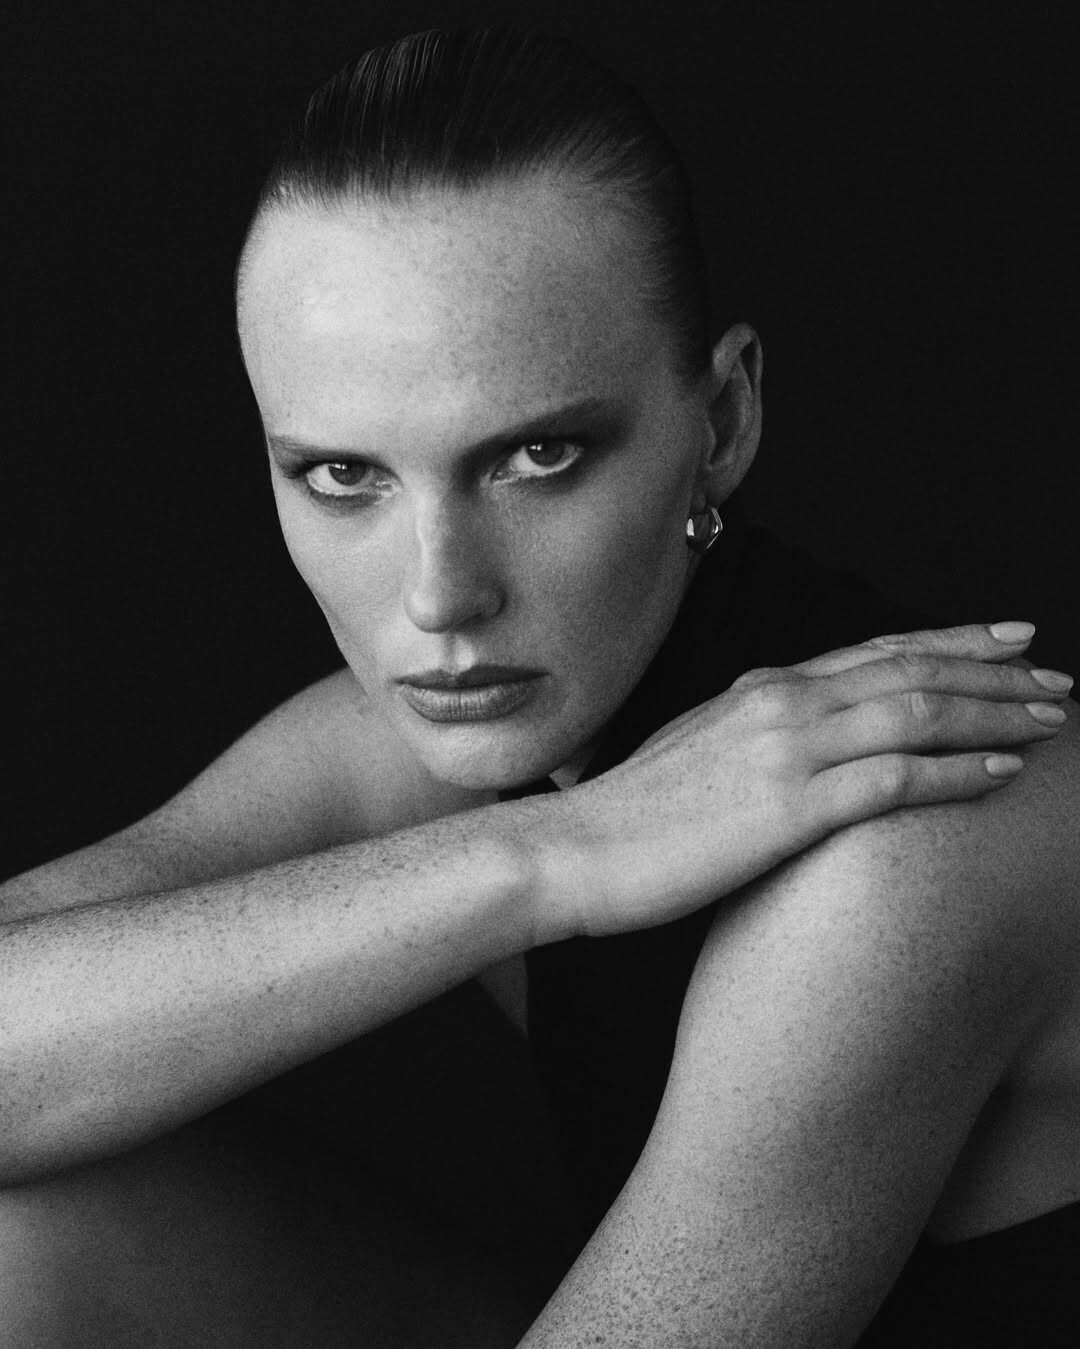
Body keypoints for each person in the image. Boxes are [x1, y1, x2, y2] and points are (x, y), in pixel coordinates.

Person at [1, 23, 1077, 1347]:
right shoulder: (485, 724)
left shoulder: (900, 847)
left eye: (538, 457)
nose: (439, 598)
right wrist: (560, 852)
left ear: (723, 422)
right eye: (343, 476)